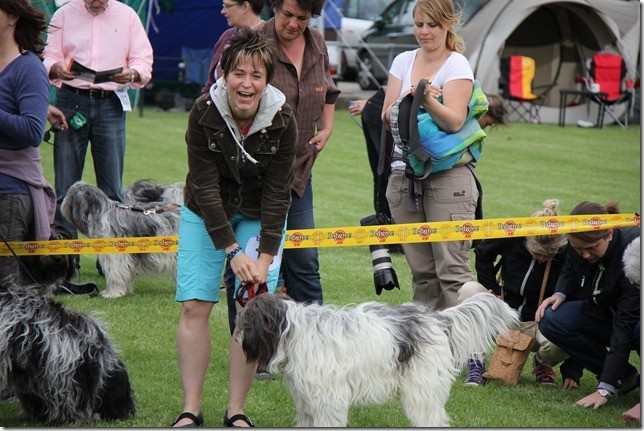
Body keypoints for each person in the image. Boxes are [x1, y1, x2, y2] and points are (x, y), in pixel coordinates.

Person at [172, 28, 297, 428]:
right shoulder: (203, 112)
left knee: (251, 310)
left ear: (267, 80)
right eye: (239, 74)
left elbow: (280, 194)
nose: (247, 83)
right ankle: (191, 408)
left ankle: (236, 409)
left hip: (261, 214)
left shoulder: (283, 119)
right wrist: (232, 251)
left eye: (256, 76)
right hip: (206, 209)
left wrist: (261, 258)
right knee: (195, 305)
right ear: (224, 75)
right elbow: (205, 187)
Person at [381, 0, 479, 309]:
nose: (424, 32)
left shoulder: (456, 64)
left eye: (432, 25)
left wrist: (424, 99)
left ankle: (468, 353)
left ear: (448, 24)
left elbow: (454, 121)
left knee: (453, 271)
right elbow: (386, 115)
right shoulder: (403, 60)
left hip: (448, 179)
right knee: (422, 273)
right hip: (403, 176)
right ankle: (426, 350)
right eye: (419, 24)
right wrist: (413, 94)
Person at [256, 0, 341, 304]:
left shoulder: (316, 42)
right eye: (287, 15)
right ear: (275, 7)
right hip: (258, 175)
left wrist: (327, 127)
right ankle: (256, 340)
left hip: (300, 170)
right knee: (259, 265)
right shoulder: (255, 41)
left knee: (305, 260)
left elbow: (328, 90)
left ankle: (317, 338)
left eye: (302, 18)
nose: (293, 24)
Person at [43, 0, 153, 231]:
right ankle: (64, 263)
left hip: (110, 104)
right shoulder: (63, 15)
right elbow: (49, 56)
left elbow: (143, 59)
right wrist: (56, 68)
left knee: (112, 189)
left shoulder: (128, 16)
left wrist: (131, 74)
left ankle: (112, 261)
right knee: (65, 187)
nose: (95, 1)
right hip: (70, 100)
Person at [464, 199, 582, 387]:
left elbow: (580, 306)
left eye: (549, 254)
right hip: (501, 316)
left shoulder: (569, 253)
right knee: (469, 291)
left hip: (540, 325)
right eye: (539, 253)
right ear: (528, 240)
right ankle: (475, 362)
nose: (543, 258)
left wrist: (573, 371)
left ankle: (543, 364)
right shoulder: (514, 235)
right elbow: (483, 253)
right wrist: (491, 289)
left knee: (566, 332)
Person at [536, 201, 640, 410]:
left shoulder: (633, 256)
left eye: (592, 248)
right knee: (552, 319)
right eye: (578, 249)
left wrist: (604, 389)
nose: (585, 255)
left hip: (633, 319)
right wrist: (560, 292)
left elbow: (624, 324)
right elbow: (570, 266)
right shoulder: (579, 243)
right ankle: (625, 377)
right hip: (603, 312)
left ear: (609, 234)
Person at [0, 0, 55, 283]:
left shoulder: (29, 68)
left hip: (10, 189)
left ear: (12, 17)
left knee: (5, 289)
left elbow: (33, 131)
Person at [201, 0, 265, 95]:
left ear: (245, 6)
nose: (222, 11)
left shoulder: (270, 36)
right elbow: (211, 84)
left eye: (227, 6)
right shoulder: (226, 36)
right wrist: (203, 106)